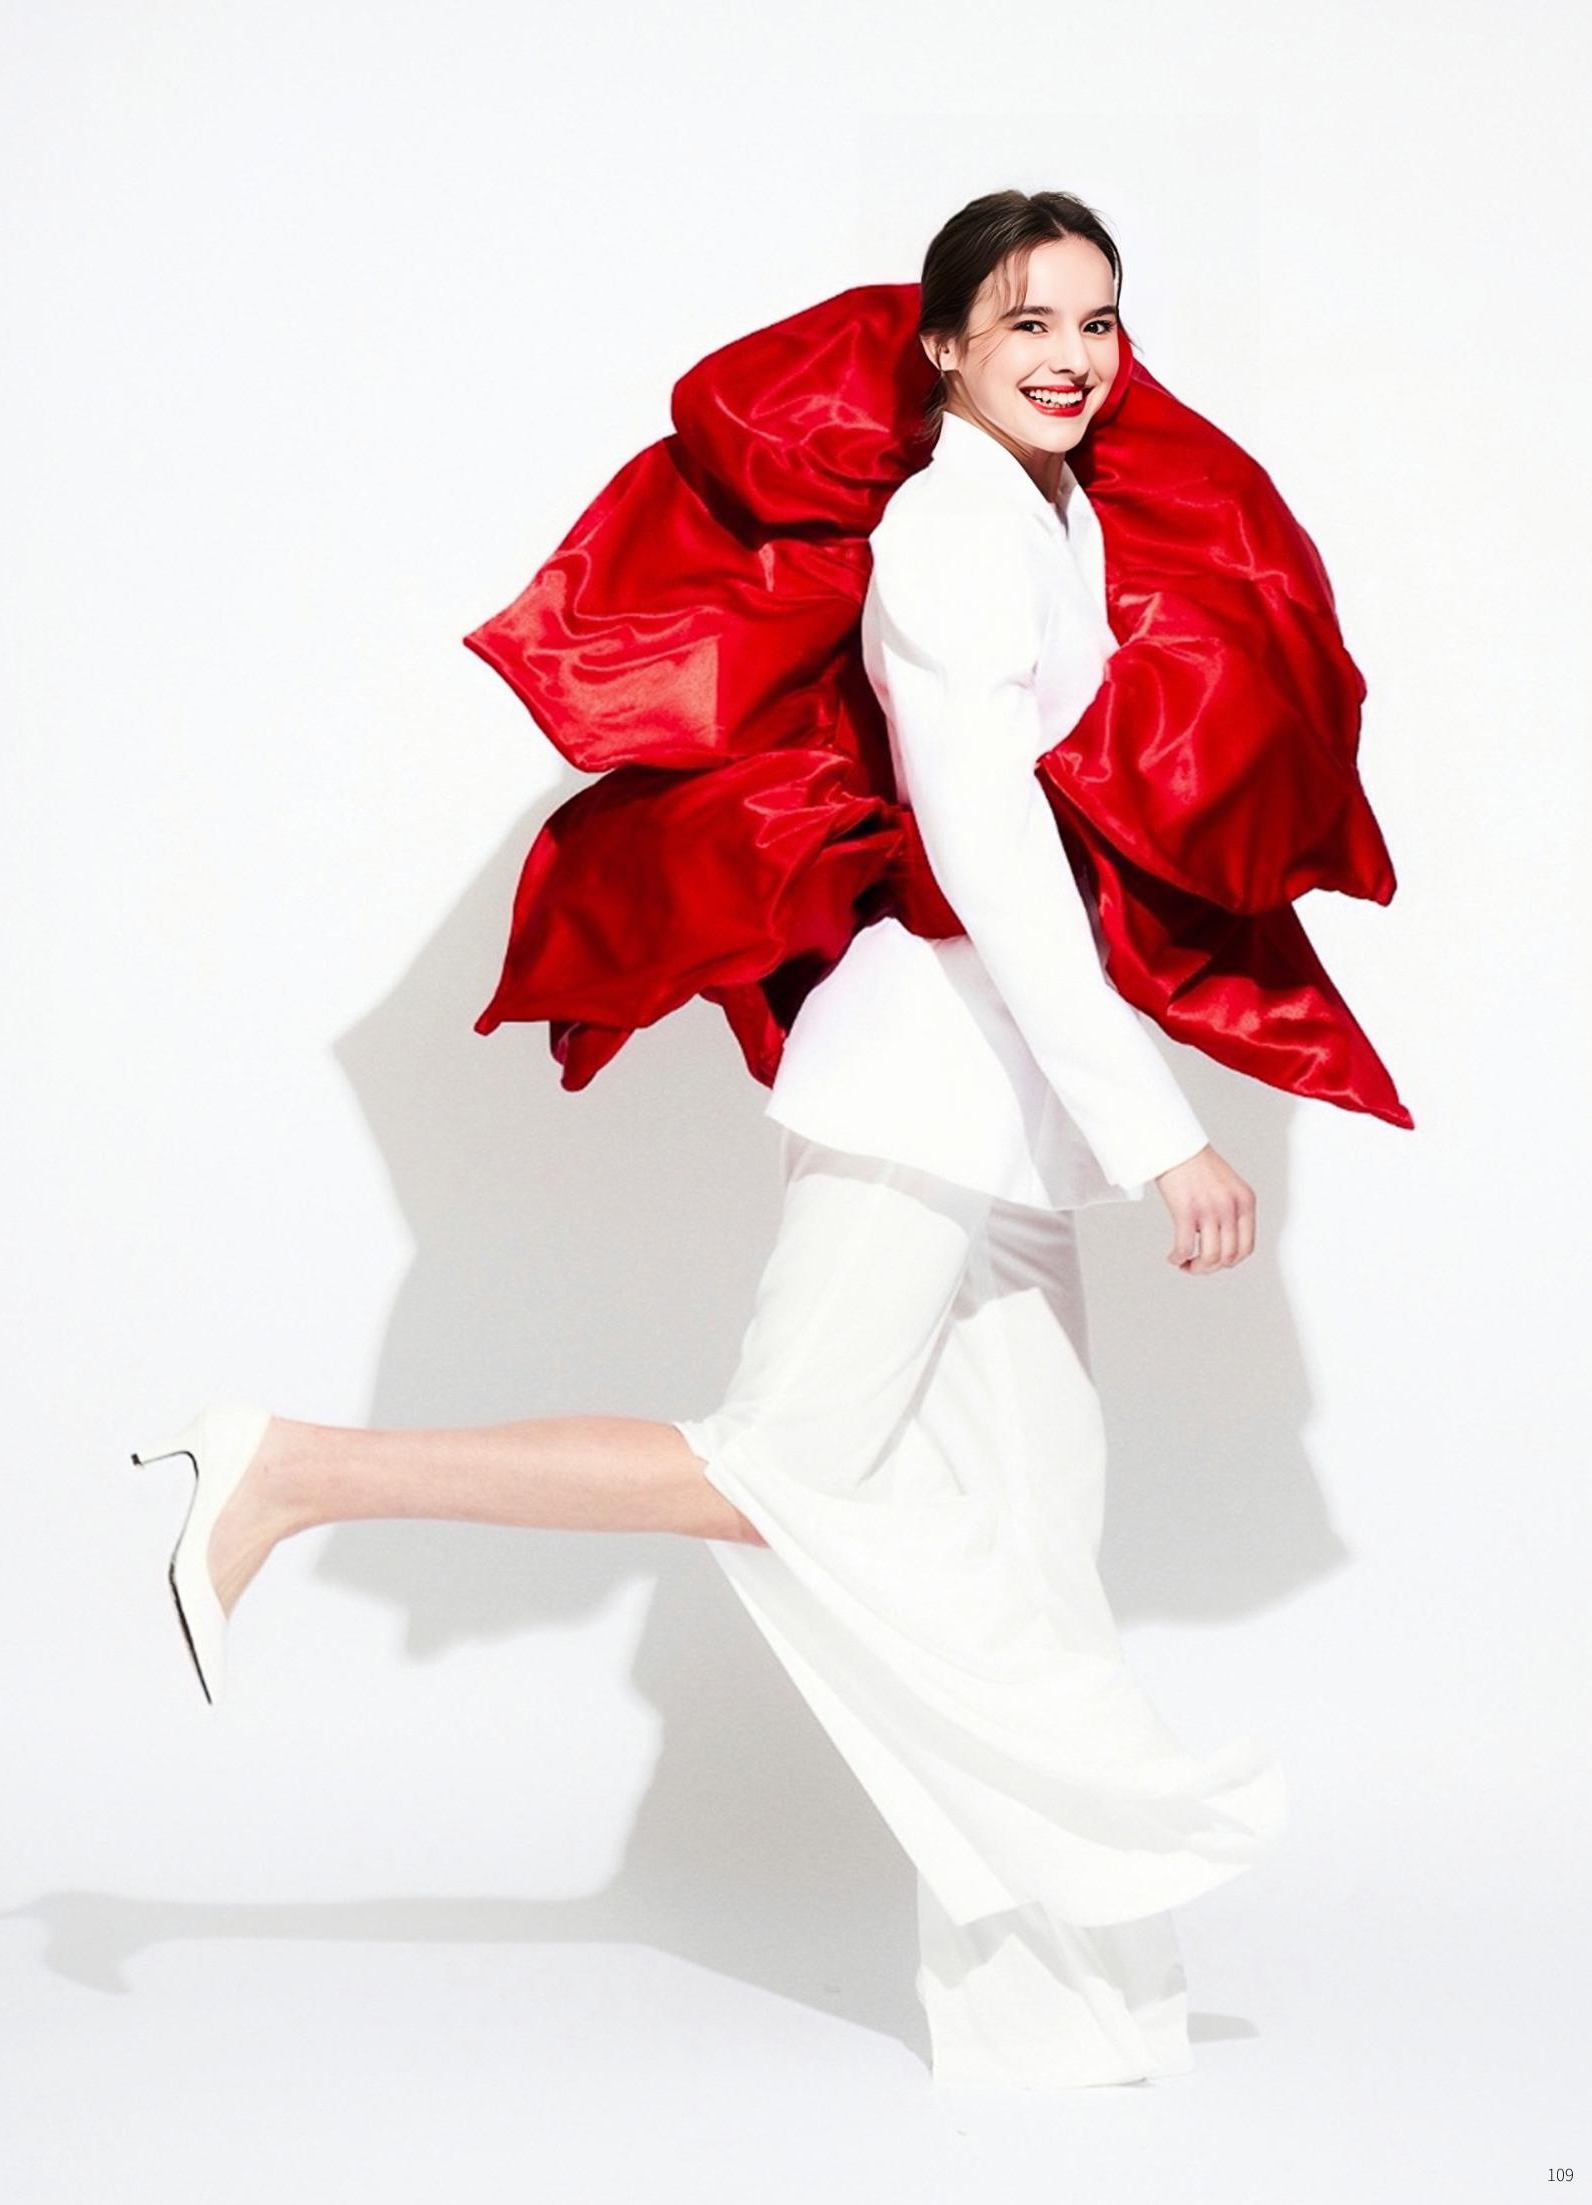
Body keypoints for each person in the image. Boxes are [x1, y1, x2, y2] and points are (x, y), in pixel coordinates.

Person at [135, 192, 1363, 2092]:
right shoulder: (949, 532)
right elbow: (992, 854)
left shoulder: (1056, 512)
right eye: (1025, 322)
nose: (1069, 357)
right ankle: (291, 1468)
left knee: (1035, 1538)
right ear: (941, 345)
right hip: (920, 1096)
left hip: (1003, 1116)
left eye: (1098, 323)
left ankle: (1056, 2013)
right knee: (780, 1468)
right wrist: (1157, 1135)